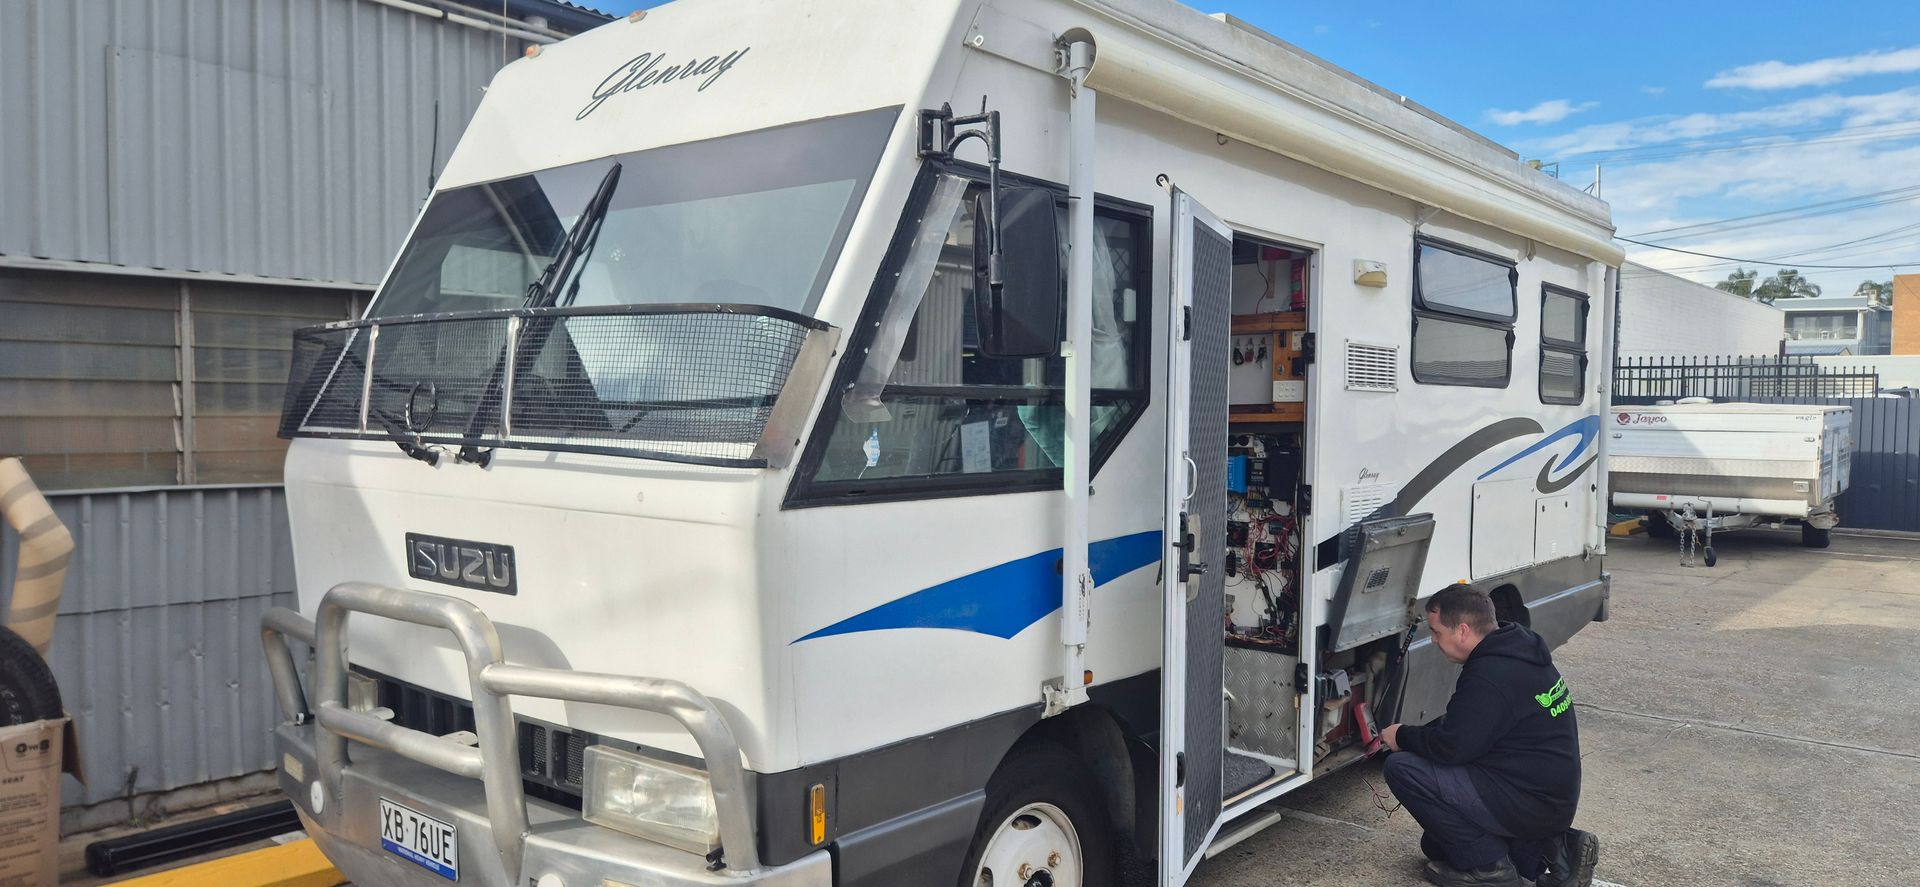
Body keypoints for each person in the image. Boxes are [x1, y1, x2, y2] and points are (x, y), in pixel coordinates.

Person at [1379, 584, 1599, 887]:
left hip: (1530, 803)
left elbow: (1451, 748)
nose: (1433, 640)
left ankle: (1490, 869)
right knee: (1436, 845)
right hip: (1545, 800)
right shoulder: (1516, 649)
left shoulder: (1489, 675)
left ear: (1463, 631)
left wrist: (1401, 736)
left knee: (1402, 768)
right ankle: (1556, 850)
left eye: (1436, 632)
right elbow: (1468, 733)